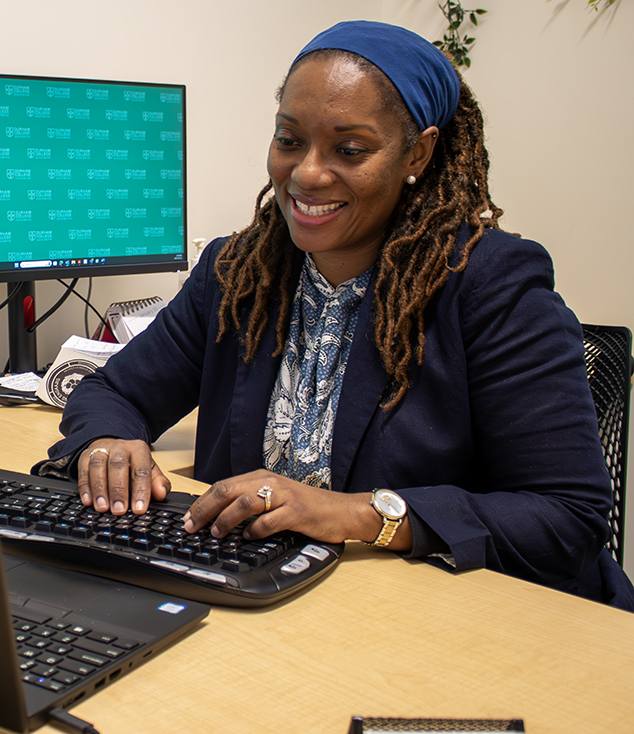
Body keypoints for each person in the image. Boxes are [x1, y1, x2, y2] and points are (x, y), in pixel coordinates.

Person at [34, 20, 634, 611]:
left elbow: (566, 517)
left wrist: (356, 513)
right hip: (277, 602)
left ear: (416, 153)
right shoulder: (239, 270)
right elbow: (115, 389)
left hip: (453, 621)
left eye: (350, 149)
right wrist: (110, 442)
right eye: (290, 139)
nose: (306, 173)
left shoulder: (491, 286)